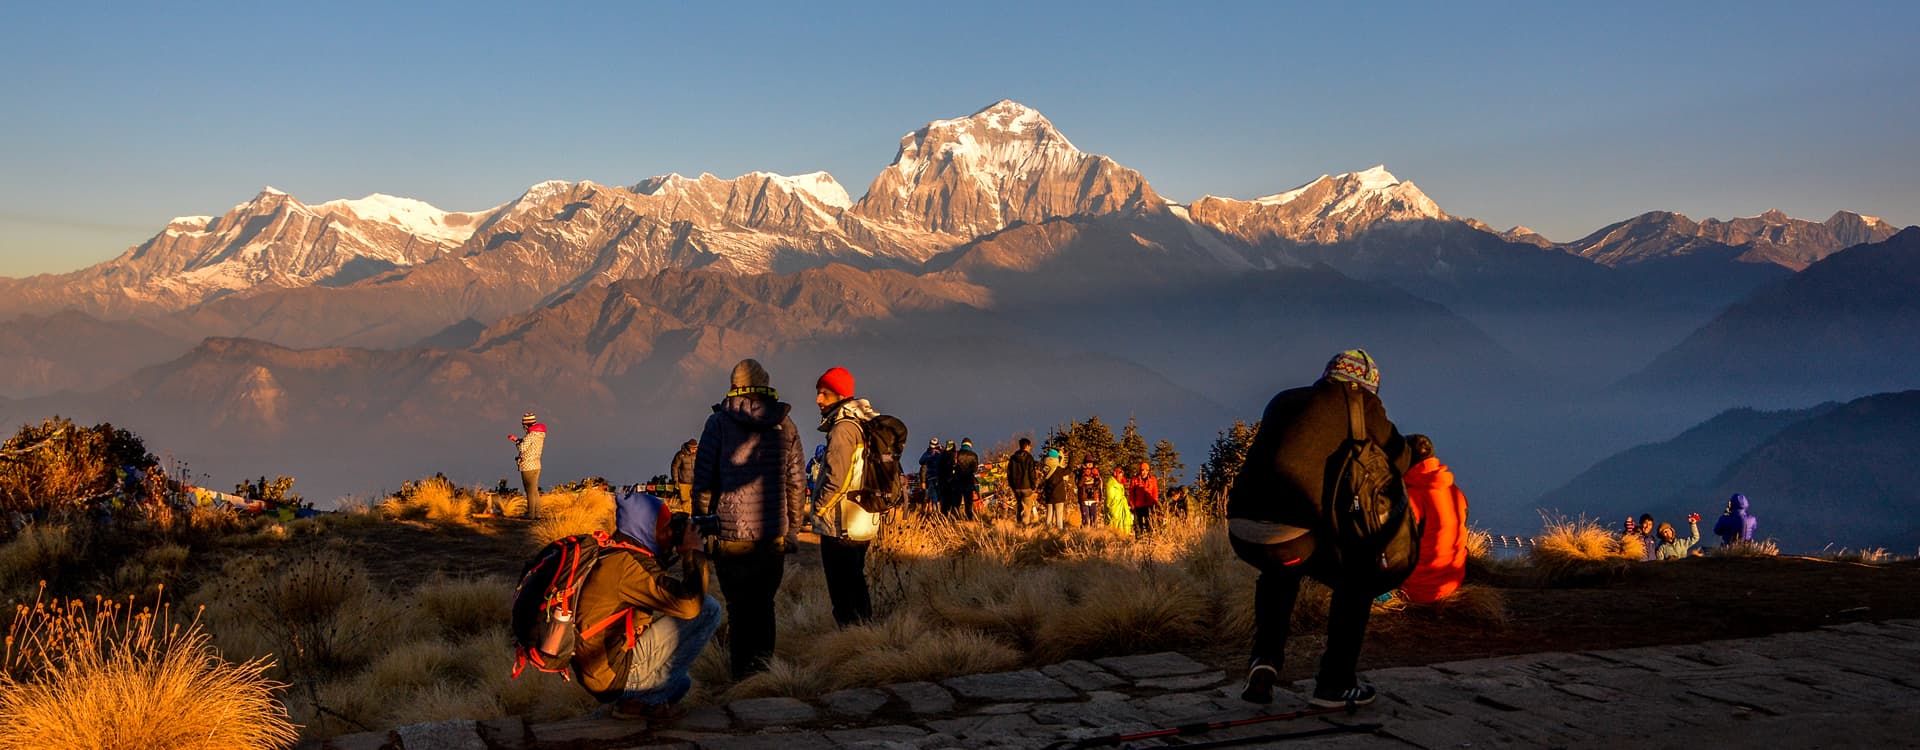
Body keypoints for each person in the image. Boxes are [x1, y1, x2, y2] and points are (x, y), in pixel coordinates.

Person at [1226, 349, 1410, 708]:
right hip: (1296, 535)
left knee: (1279, 571)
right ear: (1365, 387)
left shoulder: (1284, 400)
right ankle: (1335, 684)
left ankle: (1264, 661)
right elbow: (1397, 459)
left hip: (1243, 530)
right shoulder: (1362, 406)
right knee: (1357, 580)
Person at [691, 359, 807, 680]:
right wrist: (793, 530)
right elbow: (797, 483)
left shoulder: (718, 424)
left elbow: (703, 482)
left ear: (734, 385)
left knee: (739, 610)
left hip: (731, 535)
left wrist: (702, 526)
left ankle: (742, 679)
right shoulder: (786, 425)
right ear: (765, 383)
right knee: (764, 606)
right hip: (772, 535)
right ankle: (764, 675)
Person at [569, 489, 720, 721]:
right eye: (665, 527)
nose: (670, 533)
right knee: (708, 609)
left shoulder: (616, 551)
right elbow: (689, 604)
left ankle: (636, 702)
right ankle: (639, 700)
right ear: (647, 528)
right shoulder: (627, 566)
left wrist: (671, 550)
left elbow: (657, 587)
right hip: (613, 675)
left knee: (681, 684)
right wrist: (693, 552)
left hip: (602, 670)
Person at [811, 366, 881, 626]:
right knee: (856, 580)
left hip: (842, 522)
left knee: (842, 588)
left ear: (840, 395)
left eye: (824, 394)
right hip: (863, 518)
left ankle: (850, 637)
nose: (818, 400)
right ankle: (865, 632)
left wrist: (818, 508)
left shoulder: (843, 428)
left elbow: (837, 477)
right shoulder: (864, 423)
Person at [1400, 435, 1468, 604]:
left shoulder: (1414, 496)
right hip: (1452, 581)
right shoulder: (1455, 492)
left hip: (1419, 589)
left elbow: (1394, 541)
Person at [510, 412, 547, 518]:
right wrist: (519, 440)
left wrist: (516, 441)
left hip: (528, 466)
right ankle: (537, 514)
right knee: (534, 491)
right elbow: (529, 445)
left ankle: (530, 514)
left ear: (526, 424)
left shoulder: (530, 435)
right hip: (537, 465)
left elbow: (522, 448)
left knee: (529, 491)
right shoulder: (539, 435)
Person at [1038, 448, 1074, 528]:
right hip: (1059, 496)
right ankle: (1059, 531)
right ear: (1056, 459)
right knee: (1059, 516)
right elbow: (1069, 469)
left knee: (1049, 514)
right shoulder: (1058, 470)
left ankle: (1047, 530)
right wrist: (1071, 457)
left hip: (1049, 496)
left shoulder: (1045, 469)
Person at [1007, 438, 1038, 525]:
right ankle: (1024, 527)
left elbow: (1009, 473)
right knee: (1027, 509)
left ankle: (1019, 524)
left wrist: (1012, 485)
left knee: (1020, 507)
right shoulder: (1029, 458)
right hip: (1027, 487)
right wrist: (1033, 485)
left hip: (1016, 487)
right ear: (1027, 446)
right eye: (1030, 446)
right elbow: (1031, 473)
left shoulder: (1013, 458)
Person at [949, 439, 980, 521]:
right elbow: (975, 469)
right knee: (968, 503)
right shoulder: (974, 455)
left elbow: (952, 466)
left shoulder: (956, 454)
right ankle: (969, 520)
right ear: (970, 445)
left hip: (957, 481)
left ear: (962, 444)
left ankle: (954, 520)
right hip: (968, 481)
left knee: (956, 503)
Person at [1127, 461, 1160, 538]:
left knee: (1150, 524)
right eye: (1142, 470)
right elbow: (1131, 493)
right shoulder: (1134, 480)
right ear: (1140, 470)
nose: (1144, 472)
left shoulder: (1153, 479)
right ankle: (1139, 541)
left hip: (1149, 505)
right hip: (1138, 506)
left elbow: (1155, 492)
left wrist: (1155, 503)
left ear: (1148, 471)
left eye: (1146, 470)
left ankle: (1150, 540)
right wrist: (1132, 504)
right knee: (1138, 525)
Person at [670, 439, 698, 513]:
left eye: (696, 448)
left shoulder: (699, 455)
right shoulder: (680, 455)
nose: (694, 450)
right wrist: (675, 481)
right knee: (685, 501)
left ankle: (694, 517)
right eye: (693, 448)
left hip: (696, 482)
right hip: (683, 483)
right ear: (689, 447)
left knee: (696, 501)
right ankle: (687, 517)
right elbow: (674, 467)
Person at [1103, 465, 1133, 535]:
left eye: (1122, 475)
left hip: (1121, 506)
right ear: (1115, 474)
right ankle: (1114, 538)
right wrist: (1112, 507)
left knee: (1124, 521)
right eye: (1119, 474)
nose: (1121, 476)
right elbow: (1109, 498)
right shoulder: (1111, 484)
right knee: (1114, 522)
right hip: (1115, 507)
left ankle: (1123, 536)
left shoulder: (1120, 483)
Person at [1076, 456, 1103, 528]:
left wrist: (1096, 477)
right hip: (1084, 497)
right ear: (1085, 463)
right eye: (1088, 463)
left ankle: (1094, 533)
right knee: (1085, 517)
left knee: (1094, 518)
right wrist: (1084, 476)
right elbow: (1079, 484)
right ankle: (1084, 532)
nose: (1089, 464)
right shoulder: (1080, 471)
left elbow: (1098, 484)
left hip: (1093, 498)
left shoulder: (1095, 471)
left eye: (1091, 463)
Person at [918, 439, 943, 516]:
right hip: (939, 478)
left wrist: (923, 481)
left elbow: (921, 462)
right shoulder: (940, 453)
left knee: (933, 497)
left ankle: (935, 513)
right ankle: (940, 513)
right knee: (939, 496)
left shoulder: (928, 454)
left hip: (931, 477)